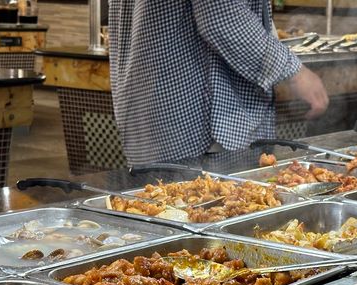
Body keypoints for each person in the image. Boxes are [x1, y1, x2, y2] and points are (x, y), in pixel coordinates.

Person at [108, 0, 329, 165]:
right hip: (200, 124)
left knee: (161, 212)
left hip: (152, 111)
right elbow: (222, 16)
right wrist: (295, 72)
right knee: (195, 212)